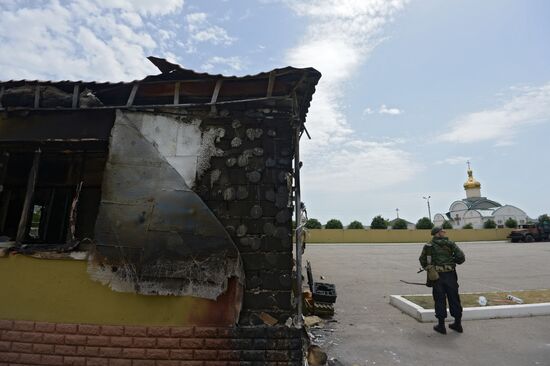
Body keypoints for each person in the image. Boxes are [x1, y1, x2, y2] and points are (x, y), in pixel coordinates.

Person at [419, 226, 466, 334]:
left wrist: (429, 268)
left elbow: (422, 260)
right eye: (442, 231)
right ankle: (457, 324)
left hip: (437, 277)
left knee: (439, 299)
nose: (444, 232)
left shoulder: (428, 246)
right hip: (450, 275)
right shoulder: (450, 243)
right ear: (437, 233)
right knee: (454, 298)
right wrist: (451, 261)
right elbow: (461, 258)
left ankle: (441, 326)